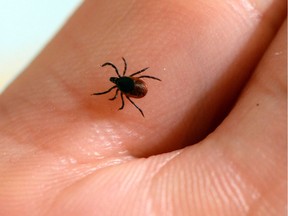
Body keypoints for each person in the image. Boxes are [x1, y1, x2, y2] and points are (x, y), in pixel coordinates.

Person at [0, 1, 286, 215]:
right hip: (139, 92)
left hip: (138, 94)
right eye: (115, 78)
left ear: (121, 78)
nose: (114, 78)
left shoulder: (122, 86)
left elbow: (120, 91)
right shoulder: (127, 81)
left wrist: (119, 96)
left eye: (115, 76)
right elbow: (134, 81)